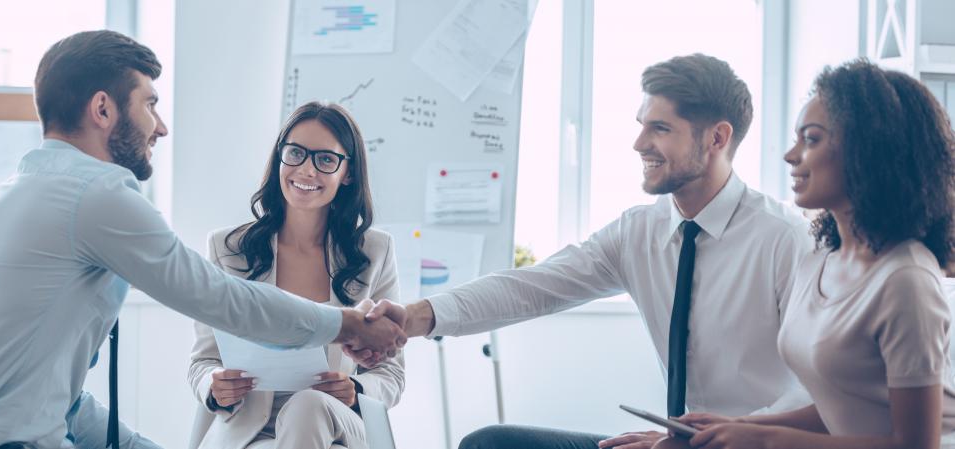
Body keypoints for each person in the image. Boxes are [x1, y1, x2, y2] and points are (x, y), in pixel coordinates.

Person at [356, 53, 813, 449]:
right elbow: (532, 288)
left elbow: (819, 391)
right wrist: (412, 318)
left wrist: (713, 439)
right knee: (490, 444)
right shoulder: (639, 231)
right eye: (641, 126)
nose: (639, 144)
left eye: (660, 128)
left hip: (758, 442)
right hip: (674, 442)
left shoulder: (784, 239)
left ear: (716, 138)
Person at [0, 31, 404, 449]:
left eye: (325, 160)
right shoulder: (98, 195)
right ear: (102, 109)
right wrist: (345, 324)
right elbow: (217, 297)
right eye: (150, 104)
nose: (160, 127)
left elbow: (52, 400)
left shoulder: (13, 194)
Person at [675, 59, 955, 449]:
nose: (791, 155)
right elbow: (843, 408)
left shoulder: (905, 280)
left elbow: (914, 446)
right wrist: (737, 427)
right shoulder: (821, 258)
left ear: (867, 151)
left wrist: (765, 440)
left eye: (811, 139)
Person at [188, 102, 404, 449]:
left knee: (308, 404)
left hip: (335, 428)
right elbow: (204, 360)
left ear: (347, 173)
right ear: (279, 159)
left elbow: (391, 372)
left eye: (325, 160)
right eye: (296, 153)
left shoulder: (375, 252)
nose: (306, 170)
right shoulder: (228, 248)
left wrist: (357, 389)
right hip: (249, 432)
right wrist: (213, 385)